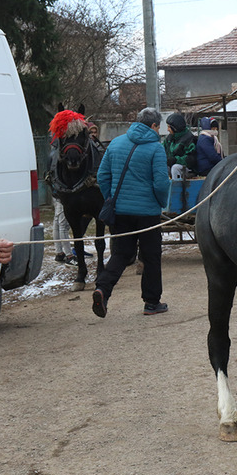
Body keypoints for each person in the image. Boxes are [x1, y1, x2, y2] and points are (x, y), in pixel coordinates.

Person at [92, 107, 171, 318]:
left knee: (121, 254)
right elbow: (162, 183)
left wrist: (111, 198)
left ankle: (102, 289)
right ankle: (152, 303)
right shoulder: (156, 148)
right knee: (151, 256)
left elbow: (102, 175)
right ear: (154, 126)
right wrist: (161, 203)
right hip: (147, 213)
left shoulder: (116, 143)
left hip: (120, 211)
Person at [163, 113, 196, 180]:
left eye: (169, 127)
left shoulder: (189, 138)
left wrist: (175, 160)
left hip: (187, 169)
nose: (167, 130)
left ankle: (177, 188)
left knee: (175, 168)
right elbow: (162, 148)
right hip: (171, 166)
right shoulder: (169, 138)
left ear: (175, 128)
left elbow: (191, 159)